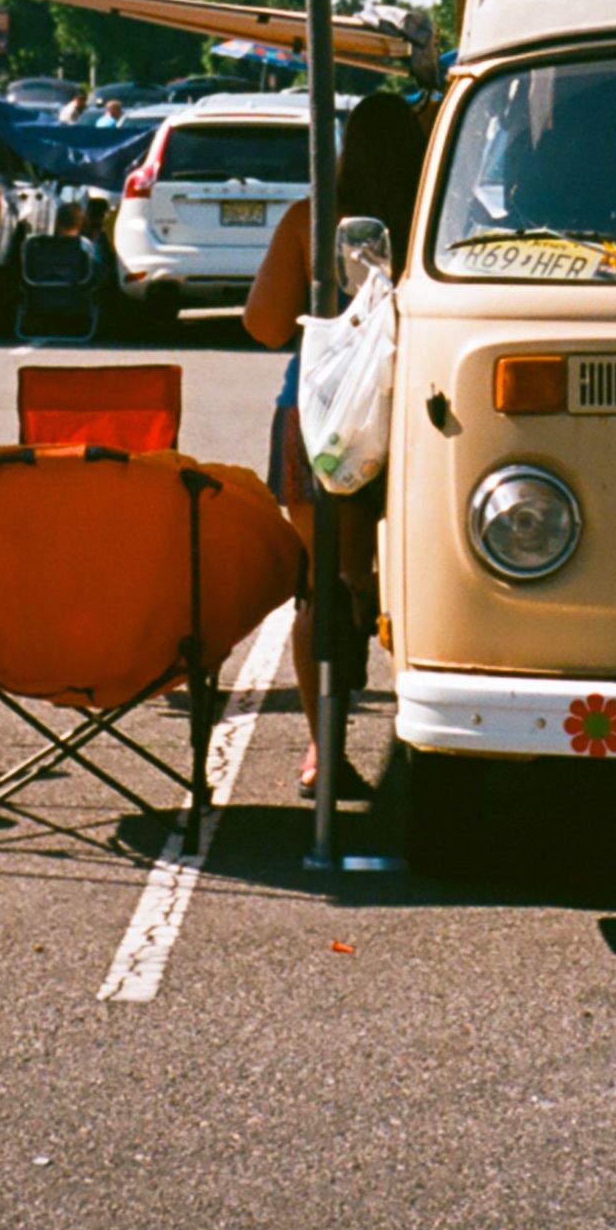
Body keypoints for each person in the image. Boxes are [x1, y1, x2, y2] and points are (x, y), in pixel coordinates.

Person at [244, 92, 430, 802]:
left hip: (318, 415)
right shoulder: (437, 219)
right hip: (418, 408)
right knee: (409, 580)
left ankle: (325, 749)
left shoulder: (311, 219)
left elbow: (263, 325)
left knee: (326, 584)